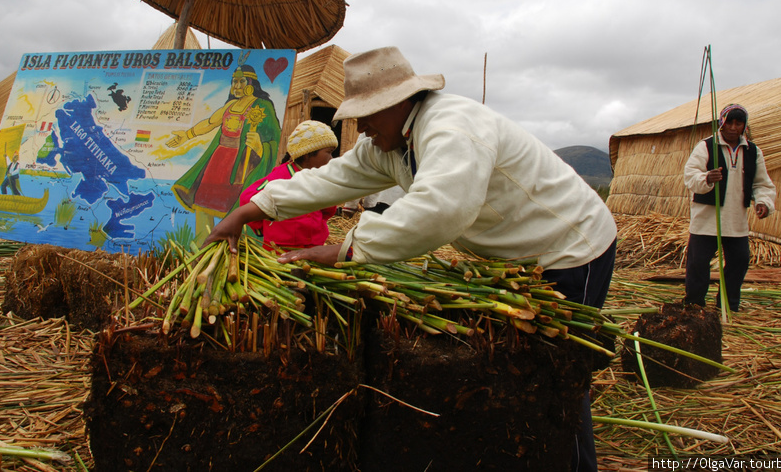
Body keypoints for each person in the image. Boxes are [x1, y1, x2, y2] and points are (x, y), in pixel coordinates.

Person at [206, 46, 617, 471]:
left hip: (567, 250)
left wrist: (343, 251)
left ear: (399, 102)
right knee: (529, 368)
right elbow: (332, 178)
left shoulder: (452, 126)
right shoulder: (389, 141)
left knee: (560, 375)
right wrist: (247, 210)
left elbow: (441, 208)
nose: (361, 126)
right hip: (513, 258)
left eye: (366, 113)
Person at [168, 55, 281, 241]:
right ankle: (203, 246)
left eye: (240, 82)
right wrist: (186, 135)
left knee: (233, 206)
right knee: (204, 203)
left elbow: (273, 137)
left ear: (251, 82)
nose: (235, 86)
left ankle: (229, 247)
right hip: (217, 161)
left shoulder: (263, 106)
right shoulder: (230, 105)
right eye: (233, 82)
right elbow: (210, 123)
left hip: (239, 166)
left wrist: (260, 147)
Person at [683, 103, 775, 312]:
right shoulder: (706, 146)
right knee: (698, 264)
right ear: (721, 124)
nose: (734, 127)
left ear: (744, 126)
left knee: (740, 260)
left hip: (735, 219)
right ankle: (694, 306)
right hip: (707, 219)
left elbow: (762, 183)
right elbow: (690, 176)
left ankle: (728, 304)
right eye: (729, 122)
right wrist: (707, 177)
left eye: (738, 123)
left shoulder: (752, 152)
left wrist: (763, 202)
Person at [239, 120, 338, 250]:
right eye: (329, 152)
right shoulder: (280, 177)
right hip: (280, 251)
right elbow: (247, 198)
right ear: (308, 154)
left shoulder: (321, 178)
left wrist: (317, 223)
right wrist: (264, 226)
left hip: (314, 249)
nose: (331, 158)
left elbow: (329, 207)